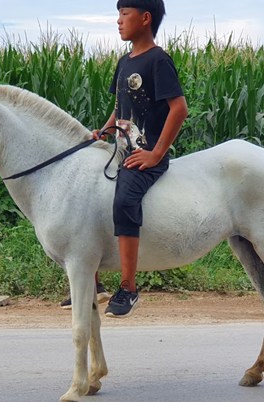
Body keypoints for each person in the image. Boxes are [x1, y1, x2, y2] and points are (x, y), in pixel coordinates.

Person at [94, 0, 188, 318]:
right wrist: (102, 131)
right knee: (85, 190)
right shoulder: (125, 61)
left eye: (124, 14)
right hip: (120, 150)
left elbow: (179, 108)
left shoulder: (158, 61)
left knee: (124, 201)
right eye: (118, 14)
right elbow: (121, 108)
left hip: (143, 156)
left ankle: (129, 288)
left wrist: (156, 153)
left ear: (144, 18)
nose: (118, 21)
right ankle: (91, 281)